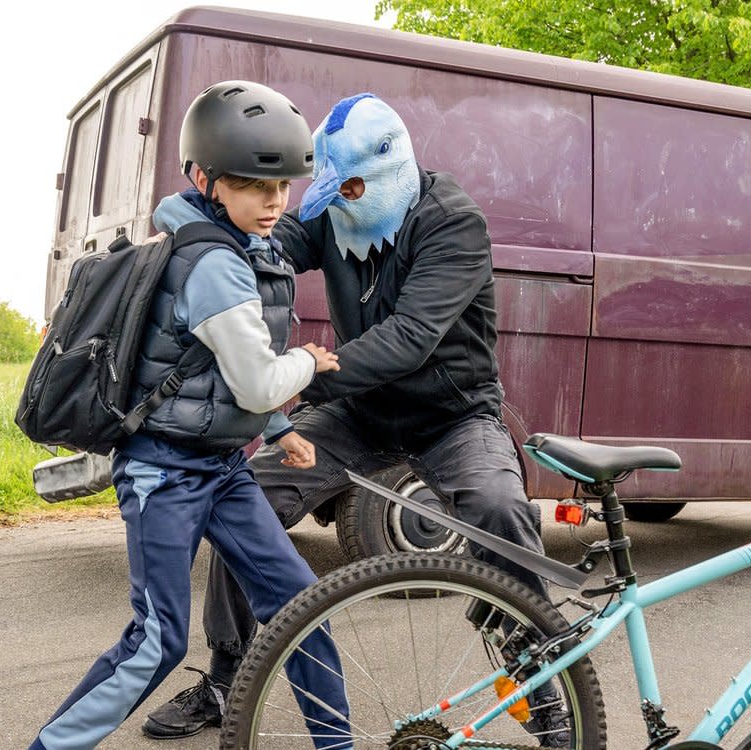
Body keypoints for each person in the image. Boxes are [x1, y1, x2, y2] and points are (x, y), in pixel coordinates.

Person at [143, 93, 571, 747]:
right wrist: (202, 251)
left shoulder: (451, 222)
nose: (335, 205)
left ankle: (543, 688)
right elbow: (272, 240)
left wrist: (299, 370)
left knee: (498, 508)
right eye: (328, 192)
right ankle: (224, 677)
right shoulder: (335, 208)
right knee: (243, 497)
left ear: (385, 172)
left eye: (346, 191)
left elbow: (410, 338)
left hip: (453, 415)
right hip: (360, 413)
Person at [28, 80, 353, 750]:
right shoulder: (212, 264)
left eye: (284, 187)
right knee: (158, 639)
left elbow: (214, 370)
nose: (273, 203)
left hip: (223, 469)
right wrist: (311, 365)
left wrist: (280, 432)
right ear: (206, 179)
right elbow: (261, 377)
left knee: (303, 608)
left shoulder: (246, 250)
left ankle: (339, 745)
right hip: (163, 473)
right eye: (253, 185)